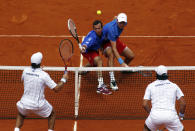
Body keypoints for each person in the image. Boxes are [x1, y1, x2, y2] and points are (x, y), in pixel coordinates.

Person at [14, 52, 69, 131]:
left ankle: (16, 129)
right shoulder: (44, 75)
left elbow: (24, 78)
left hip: (24, 102)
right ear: (40, 63)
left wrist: (38, 71)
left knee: (21, 114)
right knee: (52, 114)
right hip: (38, 104)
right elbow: (56, 89)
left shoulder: (25, 71)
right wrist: (64, 79)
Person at [143, 65, 186, 131]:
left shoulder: (150, 86)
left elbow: (145, 104)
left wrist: (151, 113)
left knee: (146, 128)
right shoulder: (174, 86)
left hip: (155, 116)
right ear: (166, 74)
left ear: (156, 74)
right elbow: (183, 103)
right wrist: (181, 116)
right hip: (171, 116)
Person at [80, 20, 112, 95]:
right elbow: (85, 44)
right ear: (93, 29)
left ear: (102, 28)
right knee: (99, 61)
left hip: (94, 49)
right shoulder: (92, 37)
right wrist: (83, 48)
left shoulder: (104, 32)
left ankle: (83, 70)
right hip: (87, 51)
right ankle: (100, 86)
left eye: (99, 28)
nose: (98, 30)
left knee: (95, 64)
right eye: (96, 29)